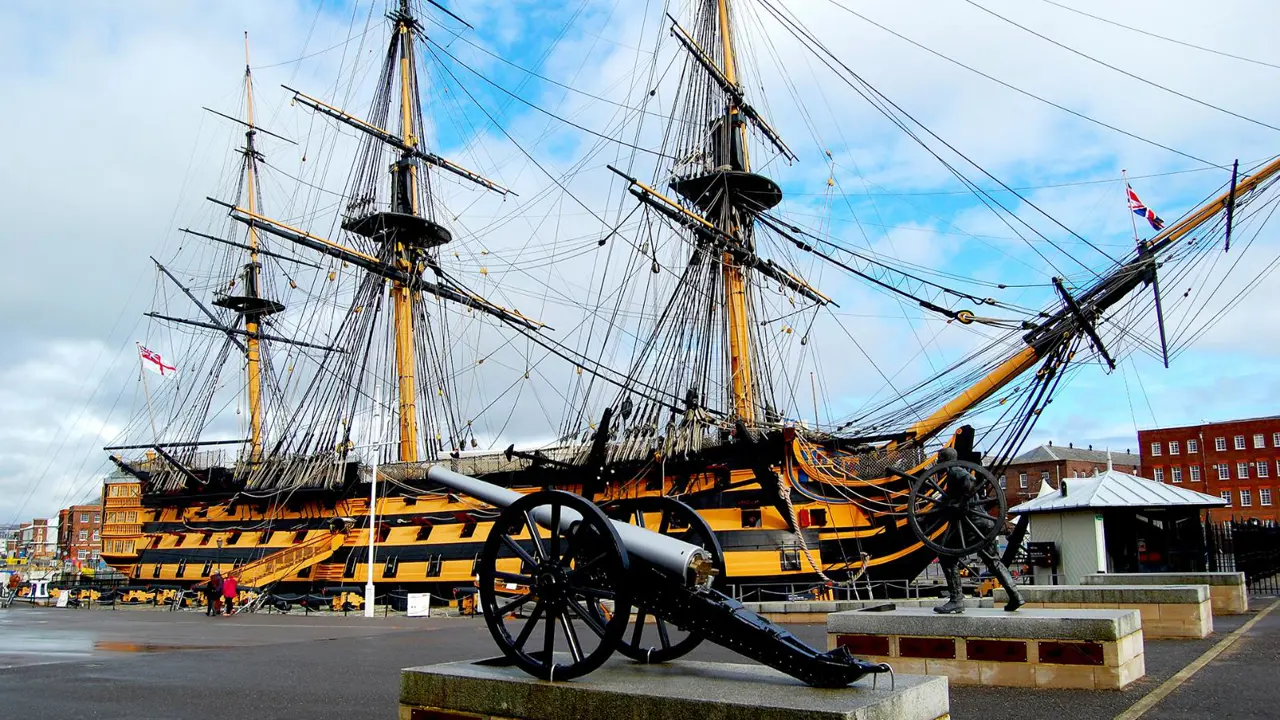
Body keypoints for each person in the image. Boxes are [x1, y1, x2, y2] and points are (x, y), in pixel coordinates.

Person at [931, 447, 1025, 614]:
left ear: (944, 459)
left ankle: (956, 600)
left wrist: (963, 502)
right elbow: (946, 502)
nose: (937, 461)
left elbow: (970, 480)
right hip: (984, 524)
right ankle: (1015, 595)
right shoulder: (954, 475)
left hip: (972, 524)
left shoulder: (955, 471)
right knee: (993, 561)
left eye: (939, 458)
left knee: (946, 557)